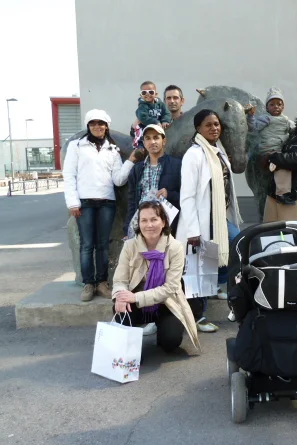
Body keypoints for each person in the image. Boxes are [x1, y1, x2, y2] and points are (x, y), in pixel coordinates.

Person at [176, 109, 242, 332]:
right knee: (200, 266)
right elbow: (187, 196)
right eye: (208, 125)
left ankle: (215, 285)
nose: (214, 128)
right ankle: (198, 316)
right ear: (198, 129)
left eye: (216, 124)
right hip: (202, 219)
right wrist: (193, 230)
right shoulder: (194, 154)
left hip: (219, 217)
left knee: (235, 245)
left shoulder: (217, 151)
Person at [63, 109, 135, 301]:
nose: (97, 126)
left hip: (106, 202)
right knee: (87, 245)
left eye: (101, 123)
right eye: (93, 123)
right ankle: (88, 284)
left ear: (106, 126)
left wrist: (130, 162)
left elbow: (118, 179)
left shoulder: (112, 150)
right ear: (88, 126)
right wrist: (73, 202)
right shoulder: (77, 146)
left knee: (103, 245)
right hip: (84, 203)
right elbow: (69, 175)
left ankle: (102, 282)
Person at [112, 201, 200, 353]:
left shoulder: (175, 247)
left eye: (154, 219)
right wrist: (120, 296)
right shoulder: (129, 246)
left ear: (163, 222)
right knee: (120, 308)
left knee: (171, 342)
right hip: (136, 302)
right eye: (144, 220)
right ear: (139, 224)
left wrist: (136, 297)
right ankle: (131, 348)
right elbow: (120, 280)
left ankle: (162, 327)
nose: (149, 225)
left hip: (165, 302)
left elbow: (170, 288)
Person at [125, 124, 182, 238]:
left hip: (166, 224)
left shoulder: (177, 165)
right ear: (144, 142)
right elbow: (132, 201)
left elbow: (187, 196)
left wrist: (169, 194)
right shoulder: (137, 168)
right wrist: (128, 228)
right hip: (142, 223)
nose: (152, 142)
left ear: (164, 141)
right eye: (148, 138)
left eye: (156, 137)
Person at [245, 87, 295, 205]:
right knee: (282, 168)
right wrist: (251, 116)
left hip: (280, 149)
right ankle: (282, 193)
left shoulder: (286, 120)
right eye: (272, 104)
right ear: (267, 108)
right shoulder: (266, 119)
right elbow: (253, 127)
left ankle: (280, 191)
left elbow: (295, 129)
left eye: (279, 104)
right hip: (268, 150)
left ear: (283, 107)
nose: (276, 107)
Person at [132, 81, 172, 147]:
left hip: (159, 128)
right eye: (144, 92)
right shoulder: (142, 107)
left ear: (156, 94)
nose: (148, 94)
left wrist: (165, 121)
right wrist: (155, 122)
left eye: (151, 92)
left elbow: (167, 113)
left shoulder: (161, 105)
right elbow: (143, 117)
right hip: (145, 128)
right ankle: (139, 149)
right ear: (141, 95)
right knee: (140, 138)